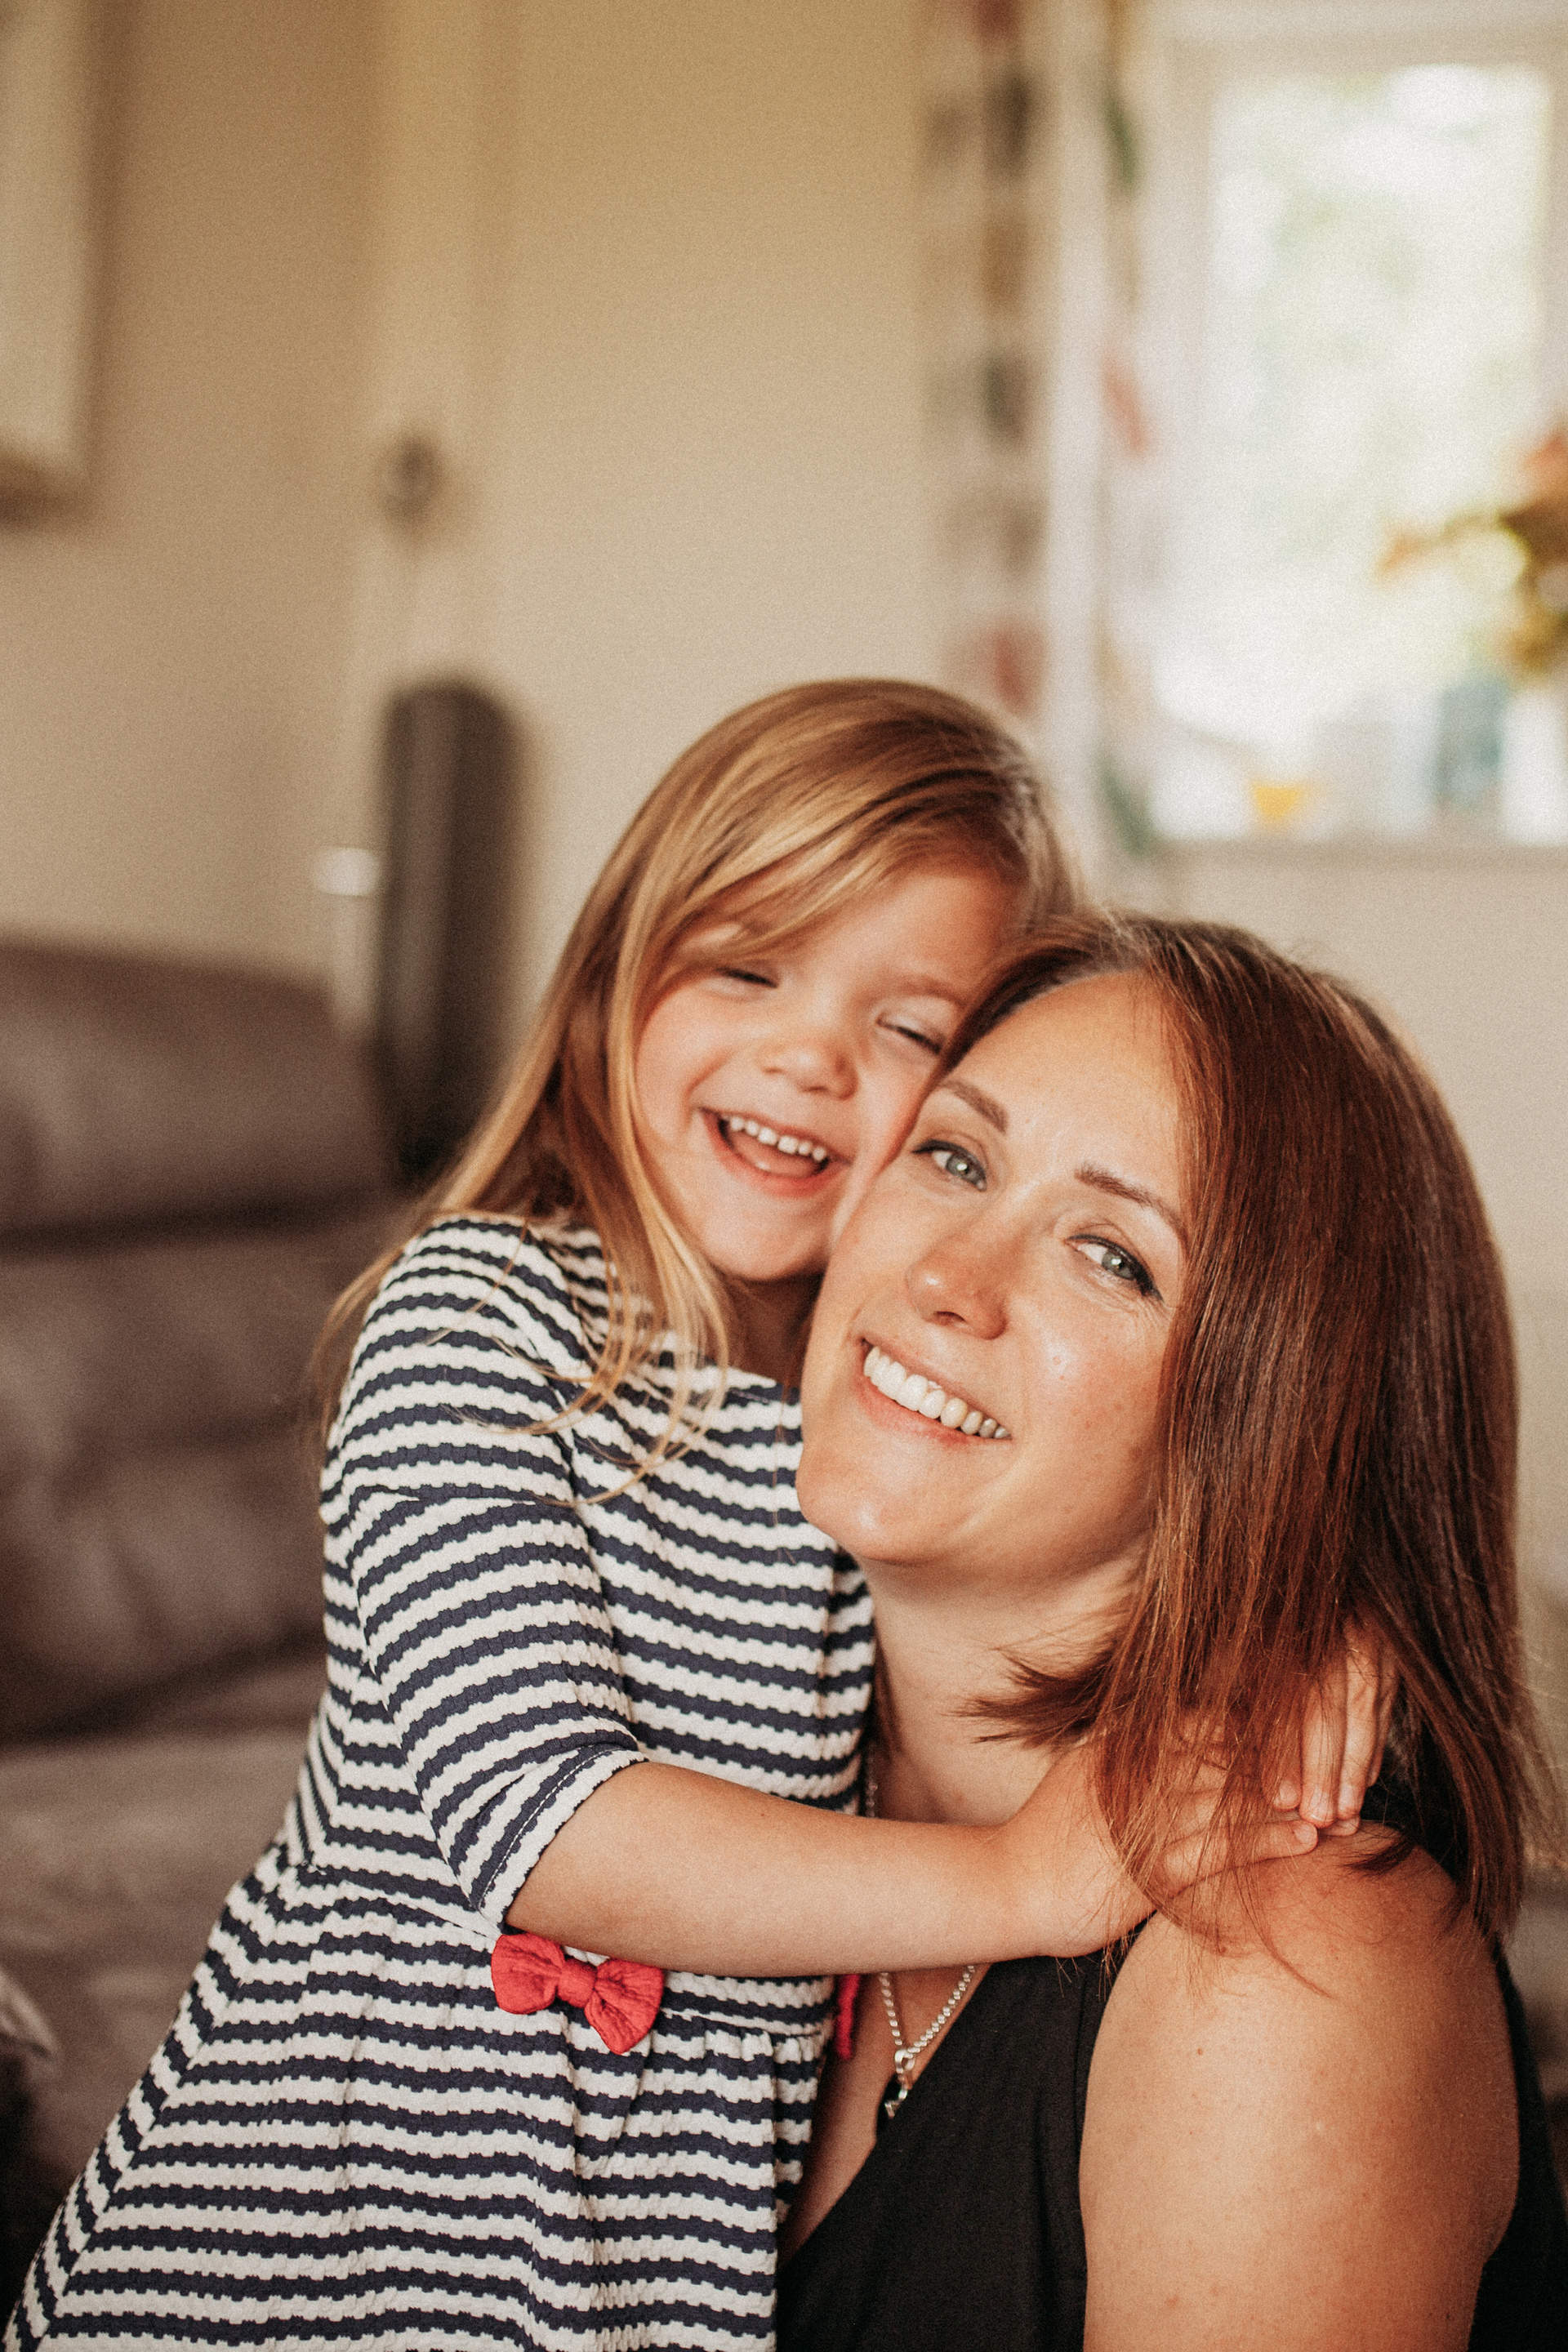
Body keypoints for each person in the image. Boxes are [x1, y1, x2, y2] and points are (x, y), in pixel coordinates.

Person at [8, 695, 1372, 2352]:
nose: (809, 1057)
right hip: (301, 2265)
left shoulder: (875, 1423)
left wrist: (1311, 1638)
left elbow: (1059, 1603)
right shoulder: (479, 1320)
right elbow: (540, 1825)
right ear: (612, 985)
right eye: (747, 968)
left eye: (908, 1025)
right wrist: (1026, 1881)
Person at [780, 913, 1568, 2351]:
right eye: (954, 1157)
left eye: (1113, 1256)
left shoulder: (1289, 1969)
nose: (949, 1276)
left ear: (1273, 1423)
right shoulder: (694, 1735)